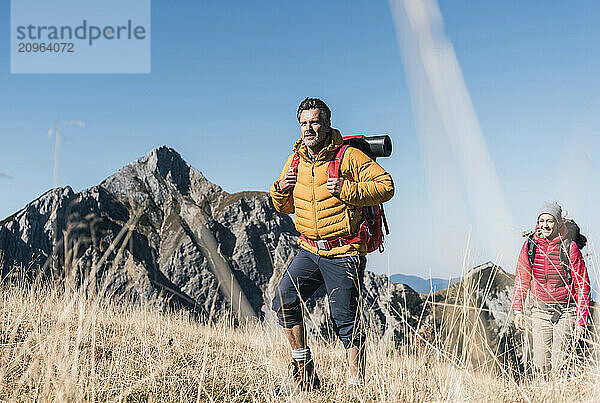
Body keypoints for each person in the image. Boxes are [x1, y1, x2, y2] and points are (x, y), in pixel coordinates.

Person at [270, 97, 394, 391]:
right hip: (309, 249)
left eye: (314, 122)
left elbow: (386, 186)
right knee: (284, 299)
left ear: (327, 124)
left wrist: (347, 189)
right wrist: (279, 190)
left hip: (343, 251)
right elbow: (285, 205)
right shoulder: (296, 159)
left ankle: (355, 385)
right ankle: (304, 373)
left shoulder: (348, 155)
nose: (309, 128)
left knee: (345, 319)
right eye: (304, 123)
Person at [512, 201, 590, 375]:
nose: (545, 225)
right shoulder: (531, 245)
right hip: (540, 311)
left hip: (566, 311)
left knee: (560, 363)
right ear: (538, 223)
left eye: (550, 221)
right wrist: (518, 309)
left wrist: (581, 320)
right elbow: (522, 278)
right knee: (540, 365)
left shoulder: (569, 247)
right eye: (542, 221)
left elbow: (582, 284)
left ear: (558, 222)